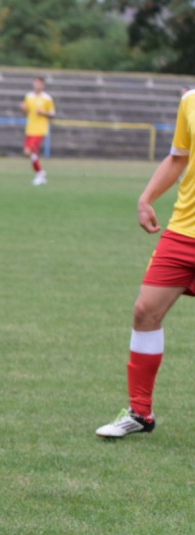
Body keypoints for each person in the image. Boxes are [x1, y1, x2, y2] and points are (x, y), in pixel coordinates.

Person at [96, 88, 195, 439]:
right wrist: (146, 197)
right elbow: (178, 158)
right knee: (145, 311)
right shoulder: (190, 101)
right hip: (183, 231)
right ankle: (140, 412)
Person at [20, 76, 55, 186]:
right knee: (30, 153)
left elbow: (52, 113)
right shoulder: (28, 96)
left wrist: (43, 112)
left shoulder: (47, 98)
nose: (37, 85)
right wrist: (23, 109)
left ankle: (40, 174)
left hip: (39, 130)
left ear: (43, 85)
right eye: (36, 83)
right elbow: (25, 113)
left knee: (29, 151)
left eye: (40, 83)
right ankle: (40, 173)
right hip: (29, 129)